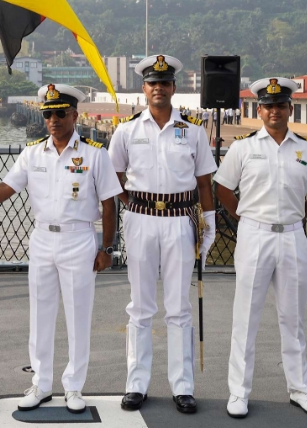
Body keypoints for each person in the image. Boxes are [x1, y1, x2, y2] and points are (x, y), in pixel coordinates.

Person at [0, 83, 122, 414]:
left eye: (60, 114)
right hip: (41, 239)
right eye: (48, 114)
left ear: (74, 115)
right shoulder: (32, 153)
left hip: (79, 239)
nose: (53, 120)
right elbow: (5, 189)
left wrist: (106, 247)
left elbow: (110, 205)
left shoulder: (95, 153)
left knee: (78, 315)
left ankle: (74, 387)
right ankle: (41, 383)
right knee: (40, 314)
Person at [214, 77, 307, 419]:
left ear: (289, 109)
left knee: (292, 317)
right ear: (259, 109)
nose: (274, 111)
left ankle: (300, 389)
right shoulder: (243, 148)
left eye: (281, 105)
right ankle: (238, 393)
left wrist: (295, 216)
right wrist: (243, 217)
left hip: (292, 236)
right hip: (255, 235)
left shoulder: (306, 149)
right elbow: (223, 186)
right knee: (245, 317)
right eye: (268, 106)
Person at [107, 54, 217, 414]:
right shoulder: (126, 130)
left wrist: (209, 221)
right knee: (140, 307)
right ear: (144, 88)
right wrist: (130, 205)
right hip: (140, 218)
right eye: (153, 83)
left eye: (165, 82)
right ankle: (135, 384)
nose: (159, 88)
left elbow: (204, 182)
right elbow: (113, 178)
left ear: (174, 88)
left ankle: (182, 386)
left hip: (180, 219)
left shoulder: (193, 130)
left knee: (179, 307)